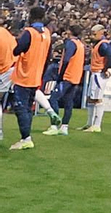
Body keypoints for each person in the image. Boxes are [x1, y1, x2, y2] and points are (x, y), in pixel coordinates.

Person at [9, 8, 51, 150]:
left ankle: (26, 138)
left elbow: (17, 49)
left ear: (31, 17)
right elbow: (48, 56)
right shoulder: (47, 33)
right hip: (36, 76)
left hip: (24, 76)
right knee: (27, 108)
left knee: (21, 108)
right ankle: (27, 137)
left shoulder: (29, 33)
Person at [43, 25, 85, 137]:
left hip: (67, 76)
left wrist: (60, 75)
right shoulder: (80, 44)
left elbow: (66, 60)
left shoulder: (71, 43)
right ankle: (64, 126)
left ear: (69, 32)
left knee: (53, 98)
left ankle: (54, 126)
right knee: (68, 102)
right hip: (76, 77)